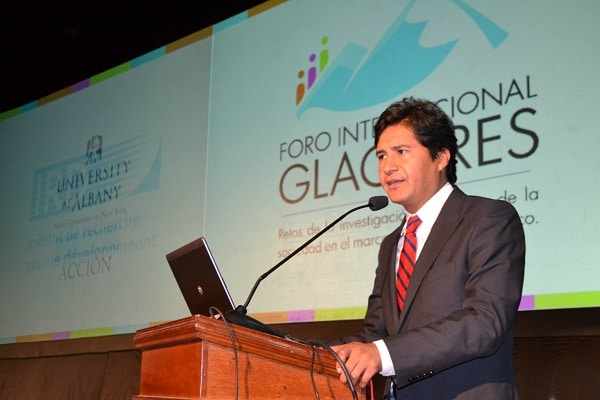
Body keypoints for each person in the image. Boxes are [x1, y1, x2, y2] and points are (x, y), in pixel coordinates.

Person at [330, 97, 525, 399]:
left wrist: (381, 354)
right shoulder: (391, 244)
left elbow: (485, 321)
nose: (388, 167)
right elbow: (375, 335)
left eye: (401, 151)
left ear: (441, 157)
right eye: (381, 155)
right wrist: (318, 352)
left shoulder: (488, 219)